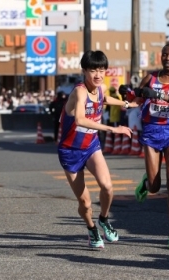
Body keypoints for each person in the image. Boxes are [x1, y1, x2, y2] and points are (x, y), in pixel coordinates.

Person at [57, 50, 137, 249]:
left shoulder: (100, 89)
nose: (98, 75)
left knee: (108, 187)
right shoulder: (80, 91)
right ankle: (92, 228)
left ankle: (103, 219)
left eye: (102, 70)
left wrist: (127, 103)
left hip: (91, 146)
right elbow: (80, 119)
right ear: (84, 71)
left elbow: (105, 99)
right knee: (85, 203)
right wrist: (112, 128)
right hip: (70, 151)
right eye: (93, 70)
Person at [120, 43, 169, 250]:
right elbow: (136, 100)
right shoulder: (150, 78)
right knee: (154, 187)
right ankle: (146, 183)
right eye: (164, 55)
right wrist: (127, 96)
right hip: (151, 131)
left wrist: (160, 96)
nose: (167, 58)